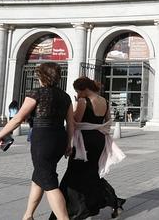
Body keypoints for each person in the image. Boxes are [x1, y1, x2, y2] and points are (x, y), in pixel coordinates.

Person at [0, 62, 74, 220]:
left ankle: (63, 218)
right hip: (59, 137)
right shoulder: (65, 96)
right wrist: (69, 143)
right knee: (40, 175)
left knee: (48, 180)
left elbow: (18, 118)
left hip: (42, 138)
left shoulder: (36, 93)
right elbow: (71, 123)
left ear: (42, 76)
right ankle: (28, 215)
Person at [52, 77, 125, 219]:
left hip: (84, 141)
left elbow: (75, 121)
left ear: (84, 89)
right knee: (92, 173)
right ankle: (114, 202)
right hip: (99, 139)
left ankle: (75, 210)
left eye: (78, 92)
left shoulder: (83, 101)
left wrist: (74, 105)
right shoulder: (105, 101)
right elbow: (108, 120)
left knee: (73, 175)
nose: (78, 94)